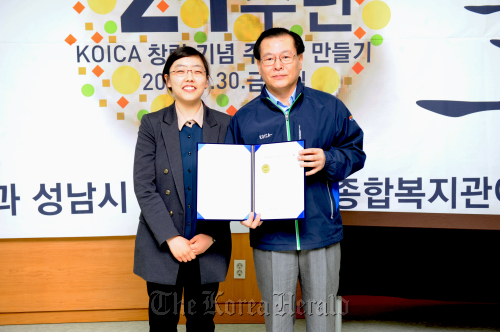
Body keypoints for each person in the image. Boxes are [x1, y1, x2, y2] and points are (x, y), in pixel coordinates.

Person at [225, 28, 366, 331]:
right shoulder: (244, 118)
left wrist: (329, 159)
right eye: (269, 58)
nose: (278, 65)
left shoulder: (329, 107)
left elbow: (356, 152)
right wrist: (242, 212)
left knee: (323, 320)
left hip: (321, 233)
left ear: (300, 60)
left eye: (286, 57)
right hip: (272, 238)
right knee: (278, 322)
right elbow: (234, 176)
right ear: (259, 65)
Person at [133, 46, 232, 332]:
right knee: (162, 323)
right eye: (180, 70)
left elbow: (232, 185)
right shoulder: (152, 124)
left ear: (206, 80)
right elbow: (144, 185)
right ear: (167, 80)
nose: (189, 76)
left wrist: (211, 234)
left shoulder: (226, 124)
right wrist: (170, 238)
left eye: (197, 71)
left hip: (208, 243)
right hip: (162, 245)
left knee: (202, 323)